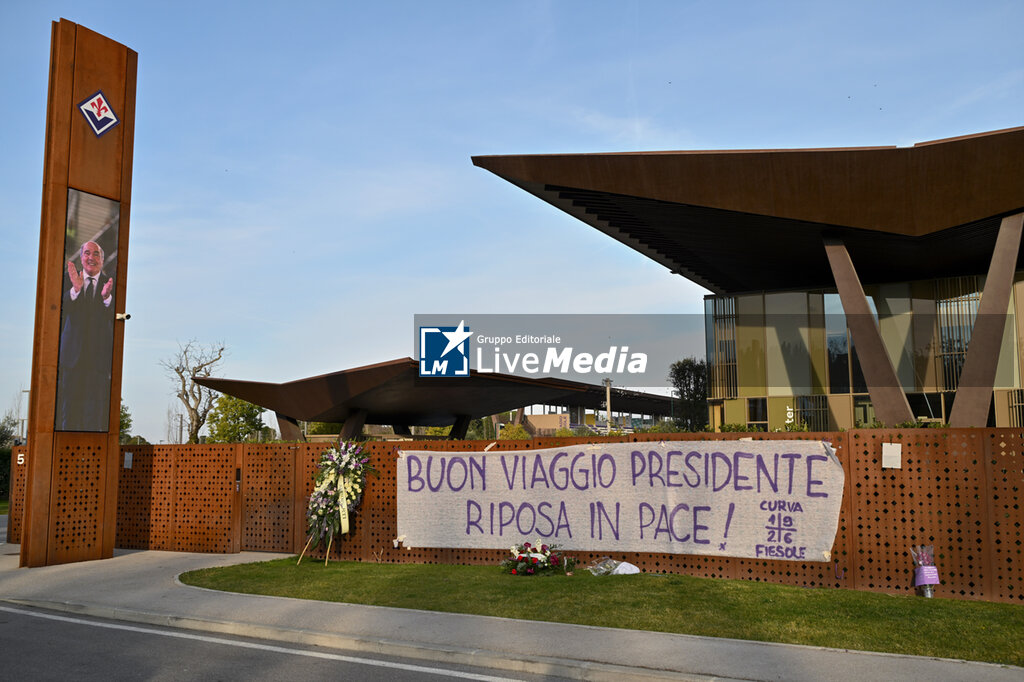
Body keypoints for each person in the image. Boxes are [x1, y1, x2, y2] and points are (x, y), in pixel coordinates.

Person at [56, 240, 115, 431]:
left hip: (98, 361)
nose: (91, 258)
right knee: (68, 412)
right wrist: (76, 290)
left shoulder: (112, 282)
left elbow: (115, 316)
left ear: (103, 259)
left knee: (94, 414)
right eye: (87, 253)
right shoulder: (66, 279)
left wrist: (107, 299)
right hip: (71, 359)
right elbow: (60, 310)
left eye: (96, 254)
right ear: (81, 258)